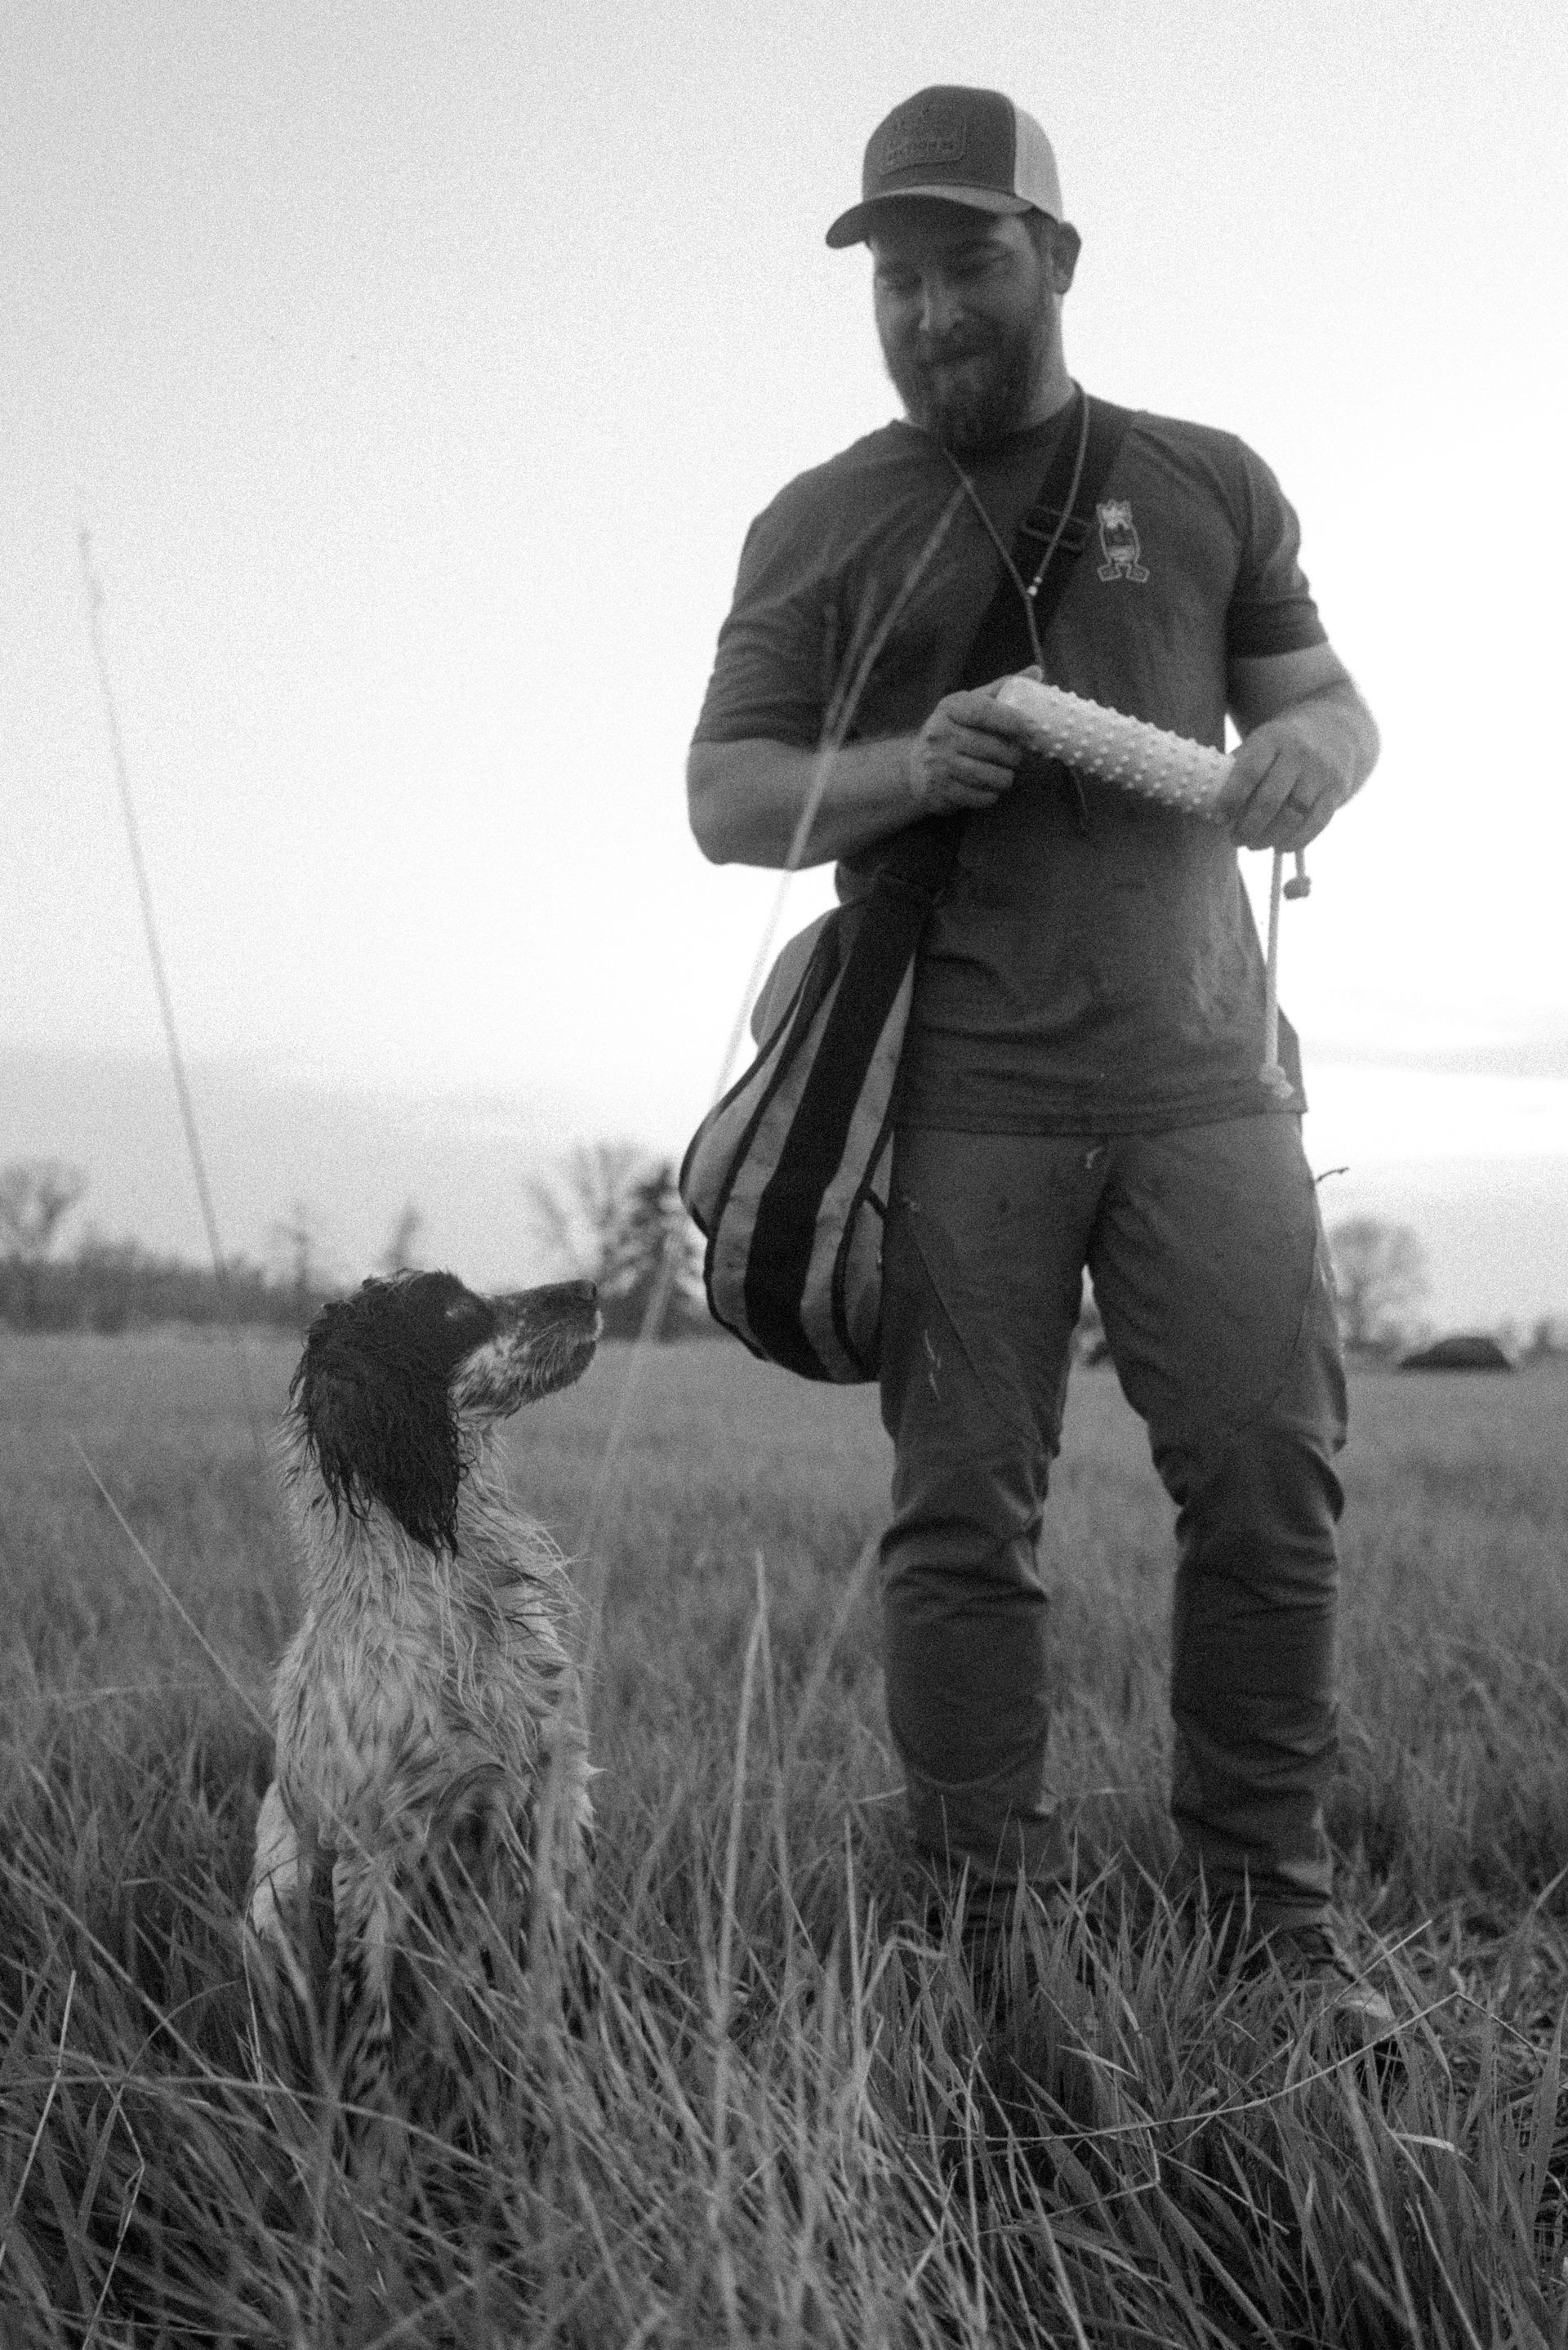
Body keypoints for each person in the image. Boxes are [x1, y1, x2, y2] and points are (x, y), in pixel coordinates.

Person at [687, 85, 1387, 2027]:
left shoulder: (1208, 478)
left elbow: (1323, 702)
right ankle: (984, 1936)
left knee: (1269, 1483)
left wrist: (1312, 760)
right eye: (894, 279)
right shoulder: (820, 521)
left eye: (966, 264)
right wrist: (916, 765)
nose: (926, 312)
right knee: (963, 1514)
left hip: (1207, 1078)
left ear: (1056, 260)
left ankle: (1274, 1926)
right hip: (959, 1092)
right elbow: (724, 795)